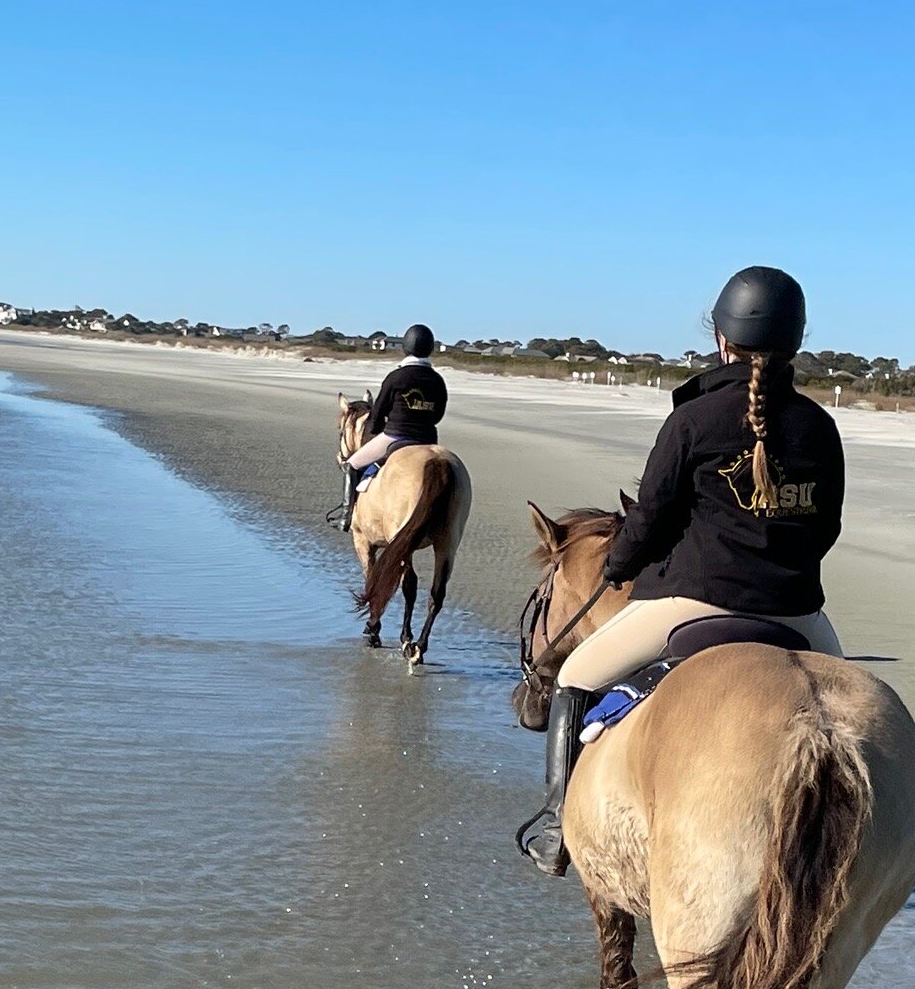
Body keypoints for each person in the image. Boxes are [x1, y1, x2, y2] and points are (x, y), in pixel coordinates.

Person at [518, 266, 846, 875]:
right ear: (795, 342)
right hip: (799, 614)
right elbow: (825, 529)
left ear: (721, 339)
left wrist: (619, 563)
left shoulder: (692, 420)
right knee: (839, 709)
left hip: (695, 604)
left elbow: (650, 521)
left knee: (575, 676)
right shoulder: (820, 427)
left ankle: (558, 825)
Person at [342, 323, 448, 526]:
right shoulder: (437, 380)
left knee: (351, 465)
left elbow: (378, 413)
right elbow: (438, 415)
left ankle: (346, 516)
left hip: (396, 435)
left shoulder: (396, 377)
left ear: (405, 347)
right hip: (427, 439)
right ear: (430, 348)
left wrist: (374, 430)